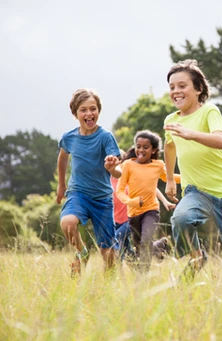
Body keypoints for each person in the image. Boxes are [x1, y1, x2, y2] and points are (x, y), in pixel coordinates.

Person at [163, 59, 222, 283]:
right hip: (195, 191)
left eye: (182, 85)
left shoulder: (209, 111)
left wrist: (191, 134)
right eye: (172, 87)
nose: (176, 91)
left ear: (198, 89)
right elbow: (169, 146)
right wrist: (169, 179)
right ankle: (197, 256)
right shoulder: (170, 120)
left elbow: (220, 140)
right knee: (181, 219)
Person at [56, 88, 122, 277]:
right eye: (83, 110)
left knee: (108, 252)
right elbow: (62, 158)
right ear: (75, 114)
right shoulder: (69, 137)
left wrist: (111, 168)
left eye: (93, 109)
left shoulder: (105, 137)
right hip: (78, 193)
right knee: (68, 223)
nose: (89, 113)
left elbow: (118, 172)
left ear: (98, 111)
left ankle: (108, 283)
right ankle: (82, 252)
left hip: (102, 199)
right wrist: (61, 184)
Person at [116, 130, 177, 271]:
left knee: (145, 242)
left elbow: (170, 178)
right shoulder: (128, 165)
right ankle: (160, 246)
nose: (141, 150)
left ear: (154, 150)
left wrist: (190, 177)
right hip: (133, 214)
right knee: (140, 249)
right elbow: (119, 191)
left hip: (151, 211)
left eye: (145, 147)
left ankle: (142, 278)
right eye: (138, 146)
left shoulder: (158, 165)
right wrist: (132, 202)